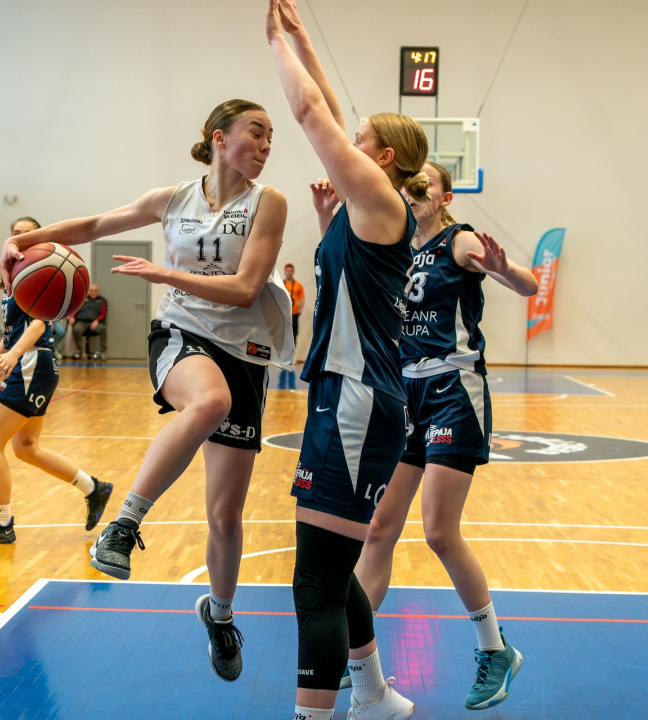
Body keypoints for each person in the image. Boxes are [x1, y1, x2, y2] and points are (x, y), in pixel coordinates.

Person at [0, 98, 293, 682]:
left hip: (244, 350)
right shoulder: (173, 198)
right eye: (256, 132)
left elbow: (244, 289)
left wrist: (161, 272)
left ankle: (220, 614)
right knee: (210, 402)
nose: (266, 145)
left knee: (225, 514)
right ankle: (124, 524)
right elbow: (94, 226)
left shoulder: (270, 203)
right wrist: (25, 244)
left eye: (271, 137)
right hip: (181, 332)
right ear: (218, 138)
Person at [267, 2, 429, 717]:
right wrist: (303, 38)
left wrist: (274, 41)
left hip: (358, 402)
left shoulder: (379, 200)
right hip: (346, 398)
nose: (346, 139)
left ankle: (320, 712)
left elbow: (309, 113)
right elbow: (329, 112)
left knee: (316, 583)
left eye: (359, 139)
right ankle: (376, 695)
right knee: (332, 569)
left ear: (382, 158)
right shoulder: (367, 202)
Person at [352, 162, 535, 711]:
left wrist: (503, 269)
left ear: (445, 196)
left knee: (438, 531)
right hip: (405, 392)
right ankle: (352, 652)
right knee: (379, 528)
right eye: (406, 186)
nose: (412, 194)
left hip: (453, 388)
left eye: (423, 185)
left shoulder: (458, 241)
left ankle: (495, 649)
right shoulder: (394, 244)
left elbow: (526, 283)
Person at [0, 274, 113, 545]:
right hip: (34, 365)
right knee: (26, 447)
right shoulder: (11, 286)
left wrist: (14, 354)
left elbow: (39, 323)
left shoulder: (31, 277)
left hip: (31, 363)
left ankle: (1, 524)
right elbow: (11, 333)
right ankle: (93, 488)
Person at [60, 284, 107, 360]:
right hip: (82, 321)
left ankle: (103, 352)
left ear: (98, 292)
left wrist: (97, 320)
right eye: (91, 291)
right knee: (76, 329)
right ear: (88, 292)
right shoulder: (82, 299)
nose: (93, 292)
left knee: (103, 329)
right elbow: (75, 309)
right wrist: (72, 317)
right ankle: (80, 351)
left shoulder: (102, 301)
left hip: (94, 322)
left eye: (95, 291)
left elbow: (103, 314)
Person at [283, 262, 304, 345]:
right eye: (287, 271)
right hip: (284, 314)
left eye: (291, 271)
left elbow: (302, 299)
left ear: (293, 272)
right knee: (283, 335)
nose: (289, 273)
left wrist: (300, 311)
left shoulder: (298, 285)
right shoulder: (281, 284)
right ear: (284, 272)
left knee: (294, 334)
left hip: (294, 314)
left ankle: (293, 352)